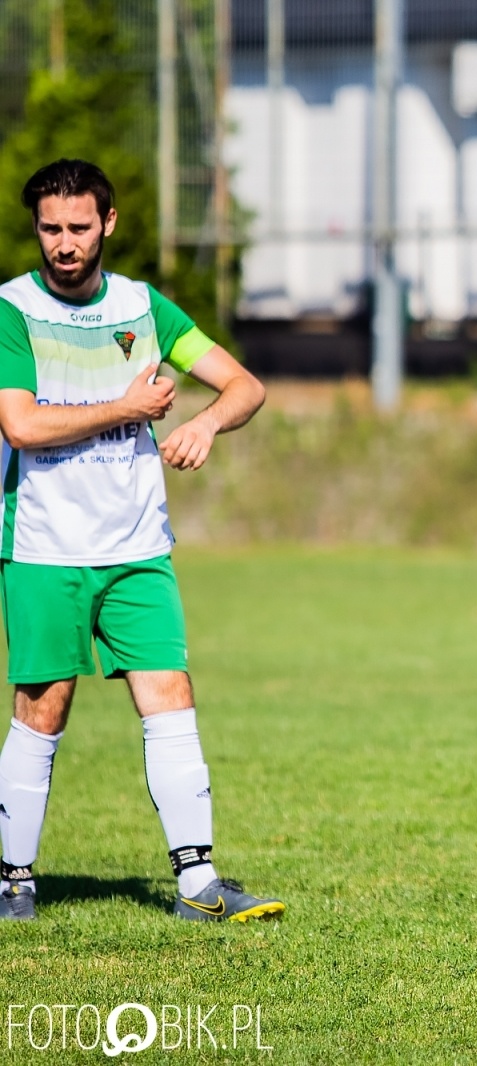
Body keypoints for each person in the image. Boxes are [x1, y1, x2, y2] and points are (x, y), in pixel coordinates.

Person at [0, 159, 282, 923]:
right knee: (43, 707)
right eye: (51, 228)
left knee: (171, 697)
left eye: (79, 227)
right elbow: (20, 425)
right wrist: (126, 408)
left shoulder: (142, 306)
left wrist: (202, 422)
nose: (64, 243)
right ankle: (14, 881)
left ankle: (198, 885)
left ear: (109, 224)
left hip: (136, 547)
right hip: (43, 545)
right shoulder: (12, 310)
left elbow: (245, 385)